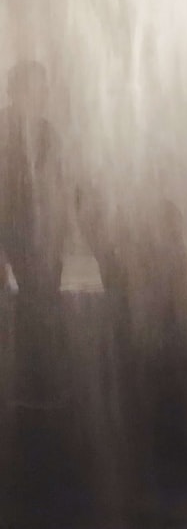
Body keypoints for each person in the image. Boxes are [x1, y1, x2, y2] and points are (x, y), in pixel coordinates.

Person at [0, 60, 68, 405]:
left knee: (41, 306)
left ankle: (36, 384)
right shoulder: (3, 127)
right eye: (31, 87)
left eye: (41, 88)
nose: (38, 95)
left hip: (38, 232)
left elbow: (57, 186)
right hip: (10, 227)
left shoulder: (47, 132)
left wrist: (57, 238)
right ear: (15, 91)